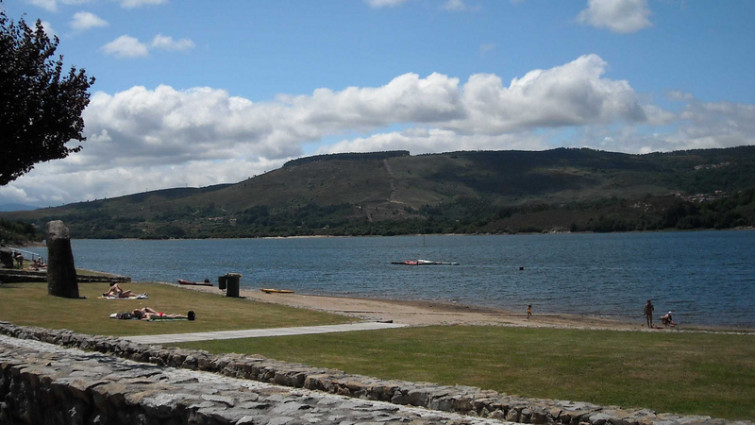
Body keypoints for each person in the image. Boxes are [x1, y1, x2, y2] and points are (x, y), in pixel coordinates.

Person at [131, 307, 195, 321]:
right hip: (161, 315)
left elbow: (147, 318)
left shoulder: (145, 313)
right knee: (174, 315)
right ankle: (187, 317)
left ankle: (187, 317)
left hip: (161, 315)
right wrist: (142, 319)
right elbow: (148, 318)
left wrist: (141, 319)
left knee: (174, 316)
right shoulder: (145, 314)